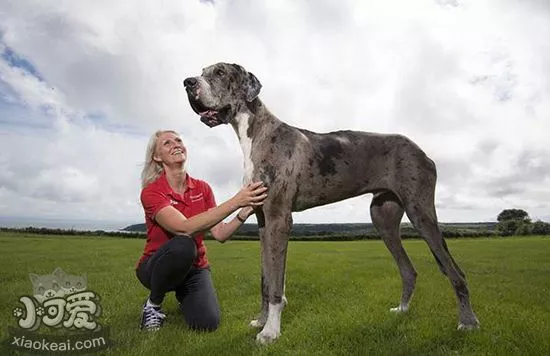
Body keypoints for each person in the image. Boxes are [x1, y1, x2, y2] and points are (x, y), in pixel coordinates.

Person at [136, 130, 267, 332]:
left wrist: (244, 211)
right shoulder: (152, 192)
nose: (176, 144)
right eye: (167, 143)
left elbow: (220, 234)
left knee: (207, 324)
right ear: (157, 157)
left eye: (178, 140)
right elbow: (183, 228)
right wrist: (237, 199)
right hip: (154, 268)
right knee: (184, 244)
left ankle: (185, 296)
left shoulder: (202, 188)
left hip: (194, 268)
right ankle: (153, 305)